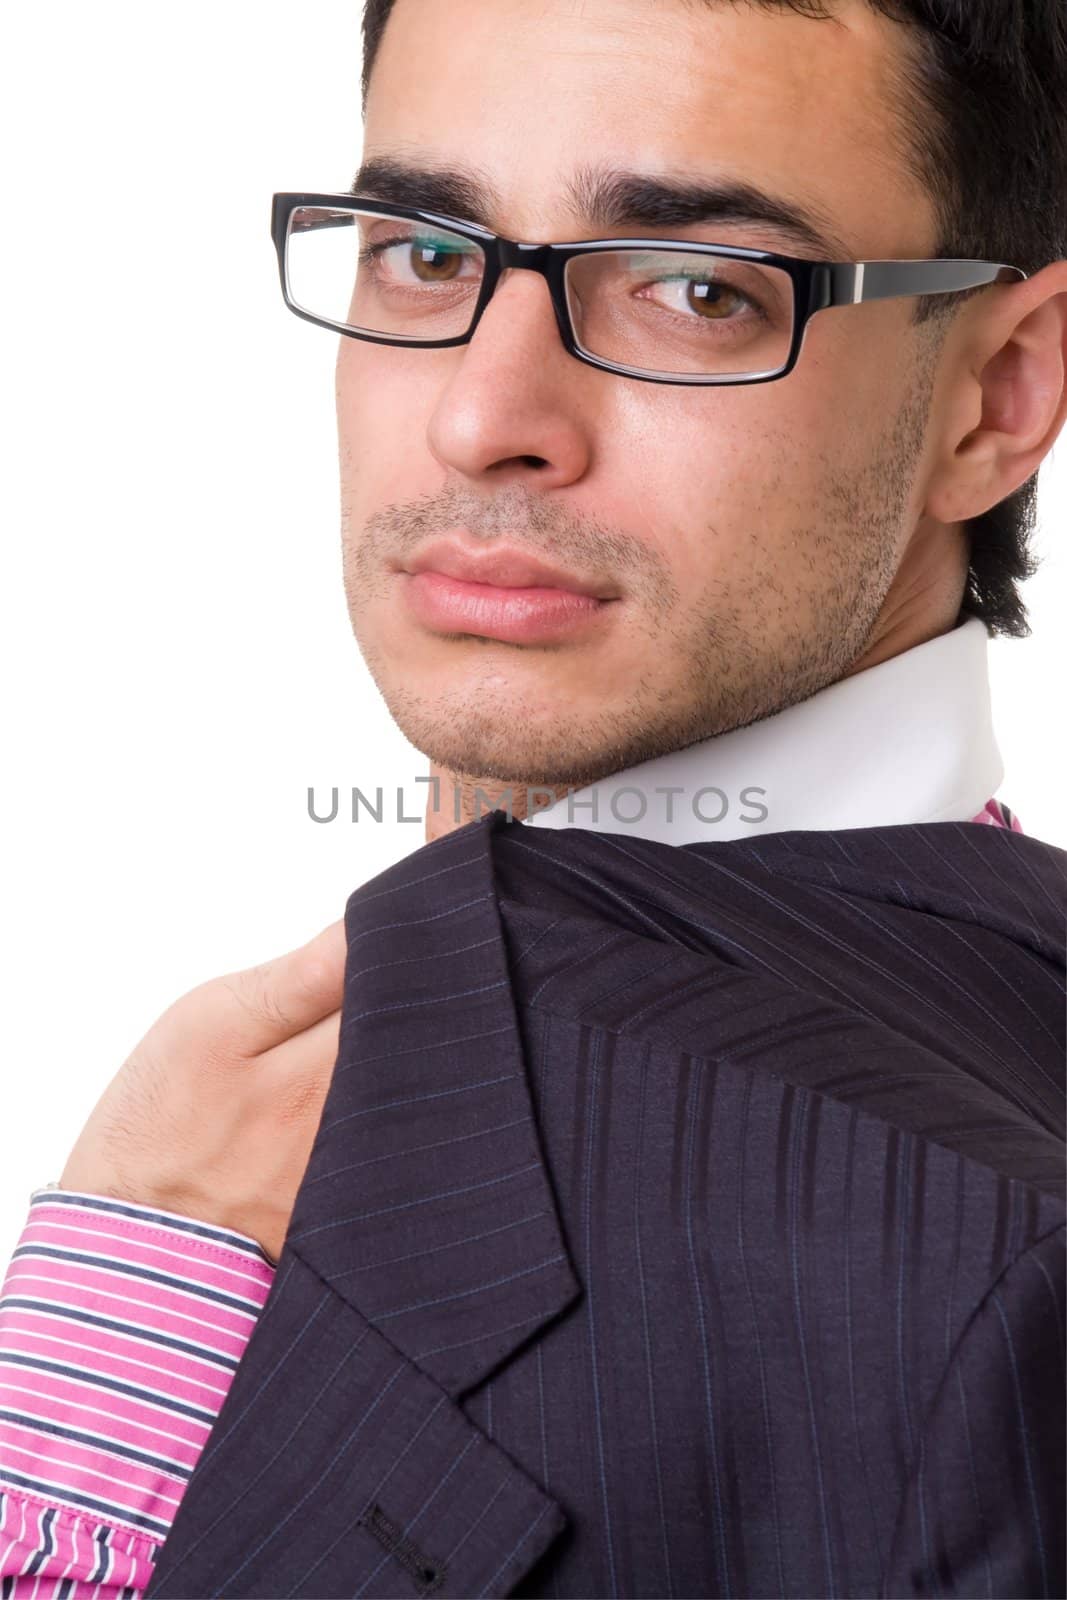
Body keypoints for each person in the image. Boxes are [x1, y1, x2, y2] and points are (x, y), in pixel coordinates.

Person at [1, 0, 1064, 1595]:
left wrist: (102, 1368)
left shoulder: (959, 1290)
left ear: (999, 390)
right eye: (426, 252)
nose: (483, 420)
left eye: (698, 289)